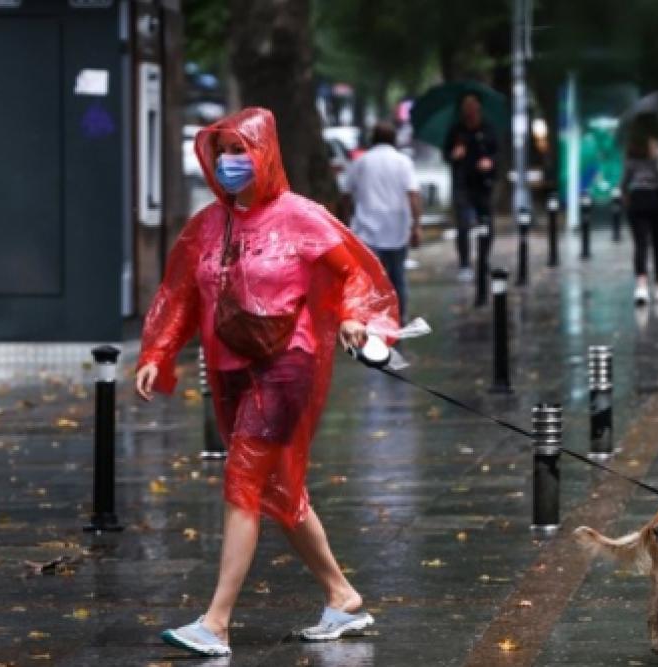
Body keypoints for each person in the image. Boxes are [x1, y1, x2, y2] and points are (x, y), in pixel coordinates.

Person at [135, 107, 400, 657]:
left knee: (242, 481)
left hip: (286, 363)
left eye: (241, 150)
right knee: (277, 490)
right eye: (222, 151)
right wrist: (158, 351)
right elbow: (183, 294)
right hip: (230, 368)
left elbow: (352, 271)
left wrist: (353, 316)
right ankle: (342, 596)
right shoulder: (208, 225)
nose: (230, 162)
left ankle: (216, 622)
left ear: (265, 154)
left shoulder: (301, 217)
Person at [344, 121, 421, 322]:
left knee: (369, 279)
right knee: (398, 277)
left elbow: (345, 194)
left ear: (373, 139)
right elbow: (413, 195)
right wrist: (416, 226)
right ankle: (399, 318)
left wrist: (345, 221)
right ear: (394, 139)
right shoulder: (403, 162)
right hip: (397, 228)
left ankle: (370, 318)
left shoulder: (361, 162)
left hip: (366, 229)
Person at [444, 91, 499, 281]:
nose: (470, 110)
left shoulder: (487, 129)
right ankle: (465, 263)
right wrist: (454, 154)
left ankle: (484, 258)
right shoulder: (456, 130)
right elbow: (446, 154)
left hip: (483, 184)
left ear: (479, 108)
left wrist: (490, 162)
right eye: (466, 106)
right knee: (463, 224)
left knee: (487, 223)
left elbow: (497, 153)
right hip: (462, 184)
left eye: (473, 106)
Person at [621, 129, 658, 305]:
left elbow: (625, 181)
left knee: (641, 244)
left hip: (637, 200)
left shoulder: (631, 154)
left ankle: (641, 286)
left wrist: (627, 198)